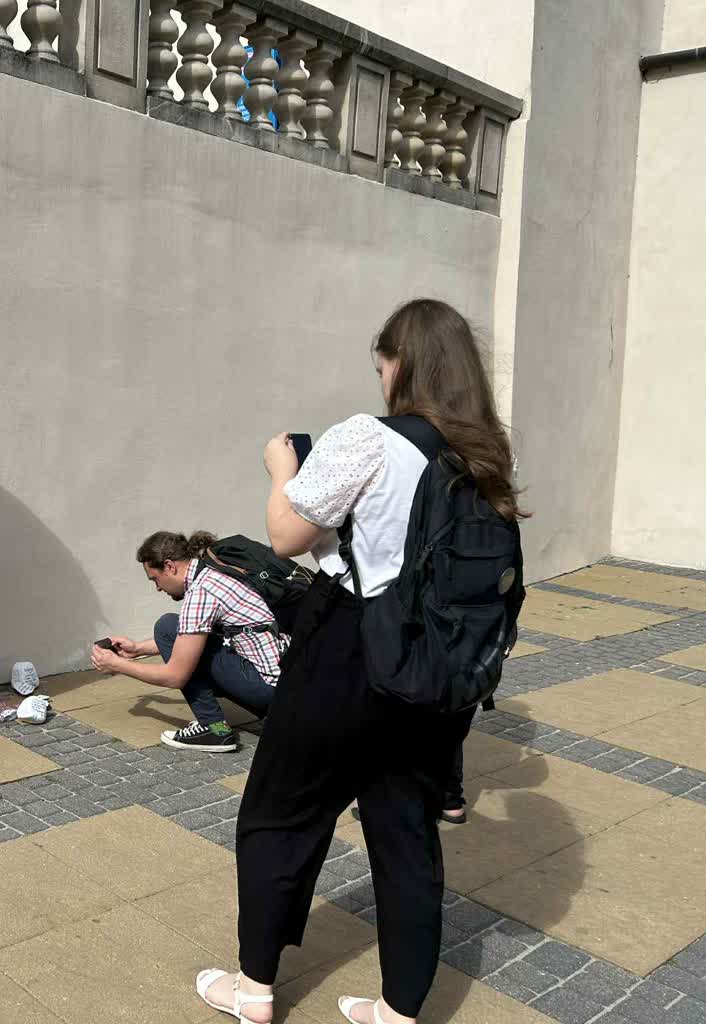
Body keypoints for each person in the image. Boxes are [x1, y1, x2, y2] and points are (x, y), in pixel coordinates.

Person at [194, 299, 526, 1024]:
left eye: (381, 364)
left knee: (281, 812)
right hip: (433, 664)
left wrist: (280, 469)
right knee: (405, 834)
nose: (379, 377)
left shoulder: (367, 438)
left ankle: (253, 988)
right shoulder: (483, 455)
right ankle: (398, 1009)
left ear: (400, 363)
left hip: (350, 643)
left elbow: (286, 536)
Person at [90, 531, 282, 752]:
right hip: (286, 685)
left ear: (169, 566)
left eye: (155, 579)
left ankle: (214, 729)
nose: (157, 588)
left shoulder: (201, 593)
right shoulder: (215, 572)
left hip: (268, 690)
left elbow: (175, 676)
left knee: (166, 626)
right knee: (170, 629)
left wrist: (117, 665)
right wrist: (137, 648)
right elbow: (191, 640)